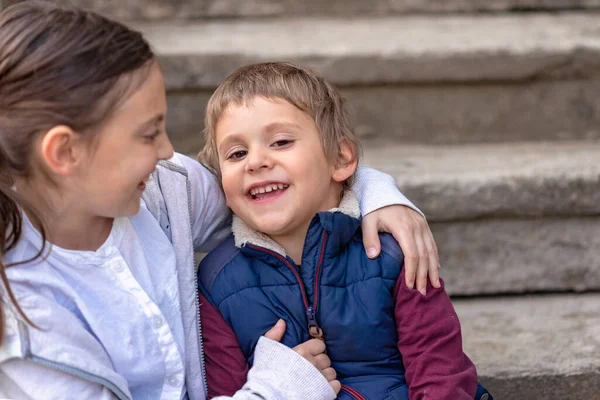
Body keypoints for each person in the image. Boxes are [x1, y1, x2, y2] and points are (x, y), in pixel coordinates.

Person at [0, 3, 441, 400]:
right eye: (149, 133)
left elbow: (283, 191)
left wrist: (376, 195)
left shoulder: (163, 187)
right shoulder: (23, 329)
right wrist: (277, 390)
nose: (167, 150)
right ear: (64, 153)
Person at [197, 62, 493, 400]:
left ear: (340, 158)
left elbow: (440, 371)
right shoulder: (217, 281)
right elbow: (224, 390)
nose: (256, 161)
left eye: (280, 142)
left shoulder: (393, 251)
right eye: (236, 153)